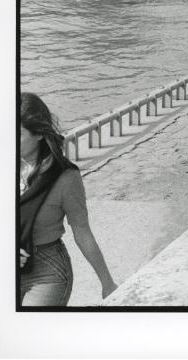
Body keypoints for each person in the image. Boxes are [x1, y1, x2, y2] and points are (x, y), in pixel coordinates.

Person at [19, 92, 117, 306]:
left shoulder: (65, 177)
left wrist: (107, 283)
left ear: (38, 134)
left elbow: (82, 232)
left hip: (47, 273)